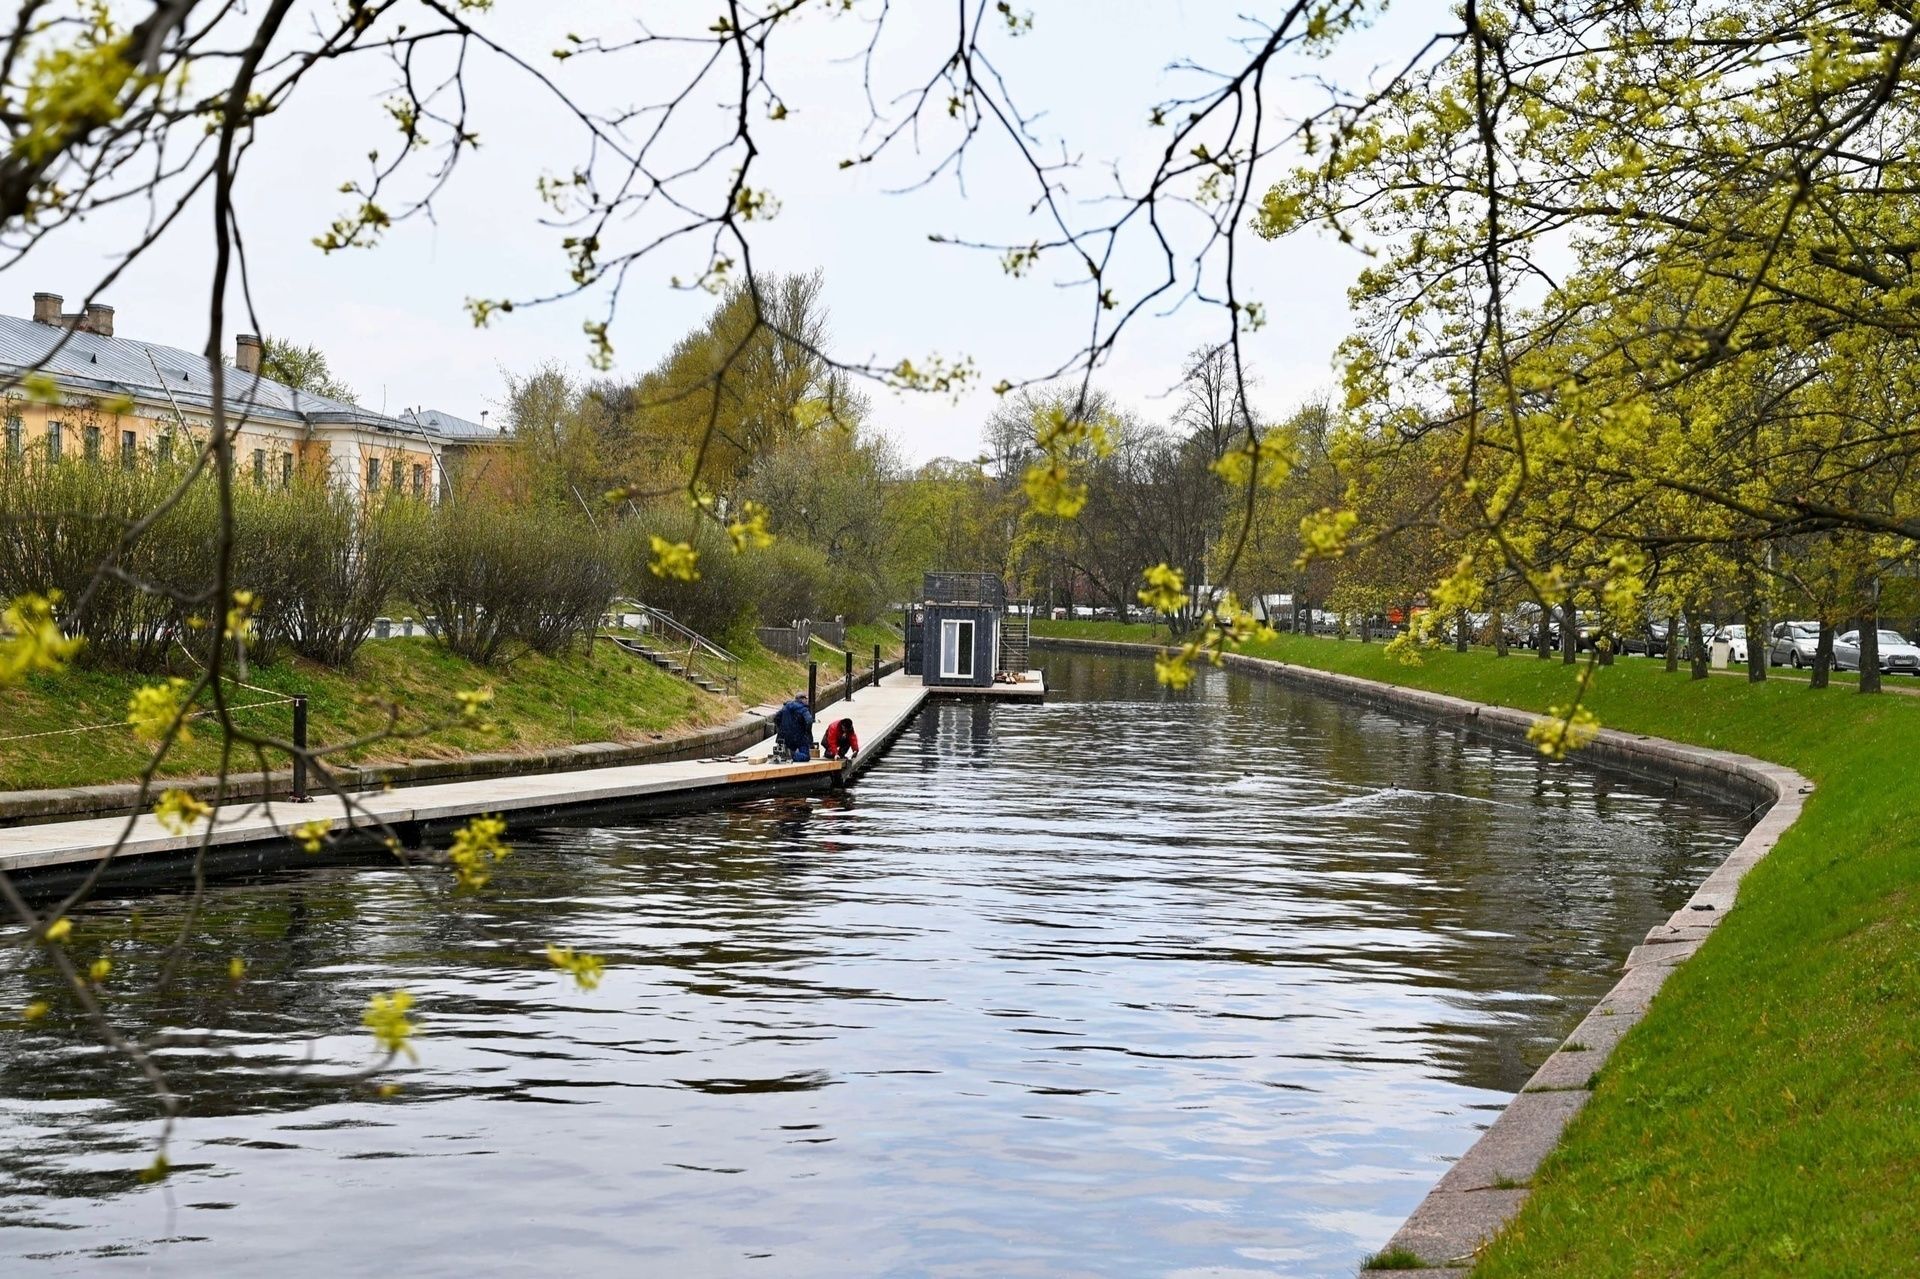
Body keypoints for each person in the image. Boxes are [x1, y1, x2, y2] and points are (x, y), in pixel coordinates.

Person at [773, 691, 815, 762]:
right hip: (799, 737)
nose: (807, 701)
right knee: (806, 756)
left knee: (791, 747)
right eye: (806, 699)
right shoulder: (803, 709)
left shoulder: (785, 707)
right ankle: (792, 755)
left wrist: (781, 727)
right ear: (802, 699)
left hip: (784, 737)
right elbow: (809, 721)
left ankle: (787, 753)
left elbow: (776, 718)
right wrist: (807, 731)